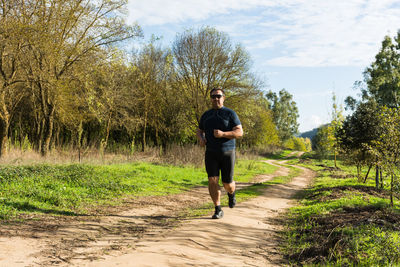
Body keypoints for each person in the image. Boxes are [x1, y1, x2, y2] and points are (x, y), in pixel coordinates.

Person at [196, 87, 243, 219]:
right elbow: (199, 130)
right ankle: (217, 209)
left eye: (218, 96)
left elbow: (239, 133)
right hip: (211, 152)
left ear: (223, 98)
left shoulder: (230, 114)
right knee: (212, 180)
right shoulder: (206, 115)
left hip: (227, 152)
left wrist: (223, 134)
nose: (216, 98)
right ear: (210, 98)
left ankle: (231, 193)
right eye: (213, 96)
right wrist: (201, 139)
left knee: (227, 183)